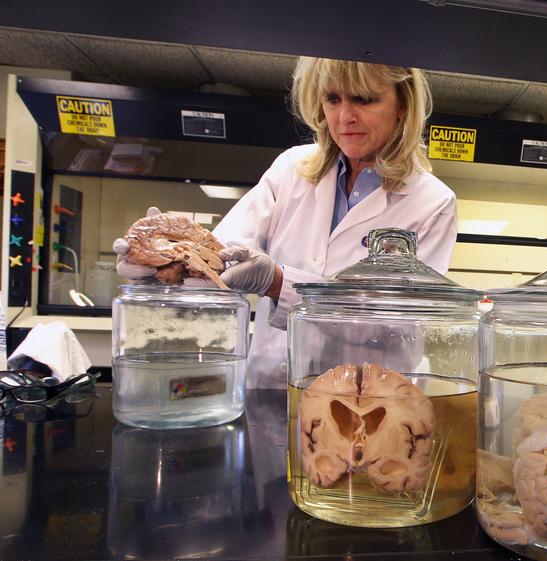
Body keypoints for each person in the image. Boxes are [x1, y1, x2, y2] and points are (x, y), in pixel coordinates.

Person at [115, 57, 458, 389]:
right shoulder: (291, 169)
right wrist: (162, 267)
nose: (344, 116)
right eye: (332, 98)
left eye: (364, 99)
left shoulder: (431, 203)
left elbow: (395, 325)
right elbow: (222, 254)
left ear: (403, 104)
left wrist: (280, 284)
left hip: (362, 397)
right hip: (269, 384)